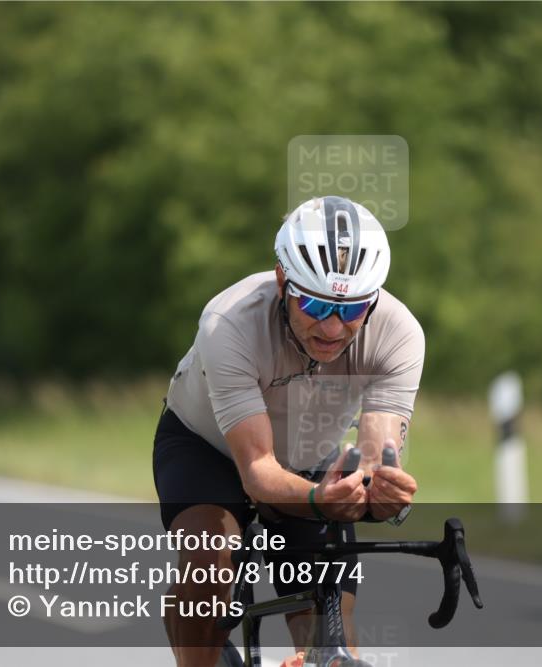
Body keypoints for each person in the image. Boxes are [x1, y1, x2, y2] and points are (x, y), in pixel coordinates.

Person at [153, 196, 424, 667]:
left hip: (312, 457)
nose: (333, 328)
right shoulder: (229, 323)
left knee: (332, 637)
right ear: (282, 280)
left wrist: (379, 492)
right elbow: (257, 470)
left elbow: (374, 457)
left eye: (353, 308)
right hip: (207, 446)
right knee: (208, 561)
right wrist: (320, 500)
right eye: (315, 303)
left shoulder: (399, 333)